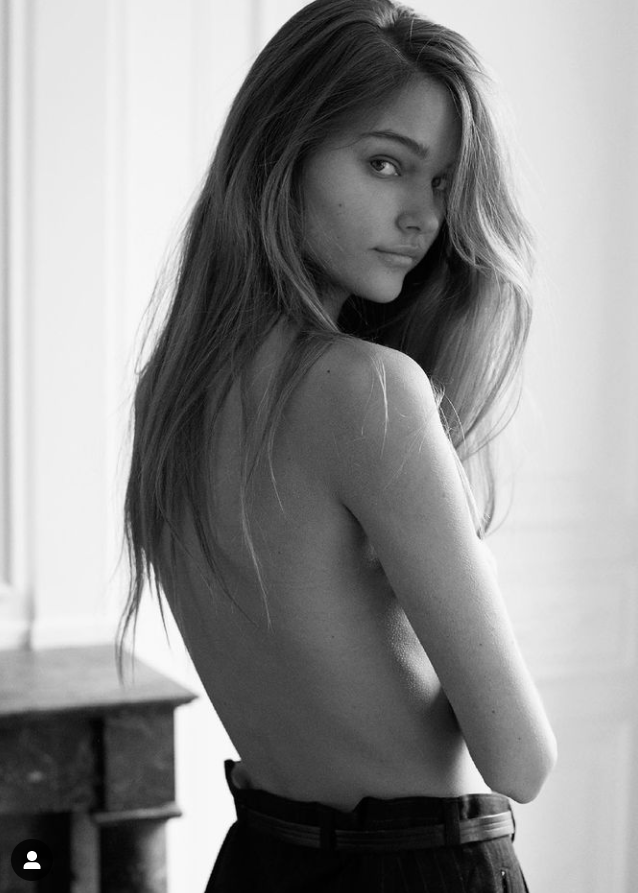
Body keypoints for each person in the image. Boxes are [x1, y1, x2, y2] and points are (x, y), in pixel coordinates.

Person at [119, 1, 556, 889]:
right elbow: (521, 759)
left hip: (259, 862)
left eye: (442, 183)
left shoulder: (173, 393)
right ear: (281, 153)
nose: (422, 217)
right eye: (385, 163)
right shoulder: (368, 390)